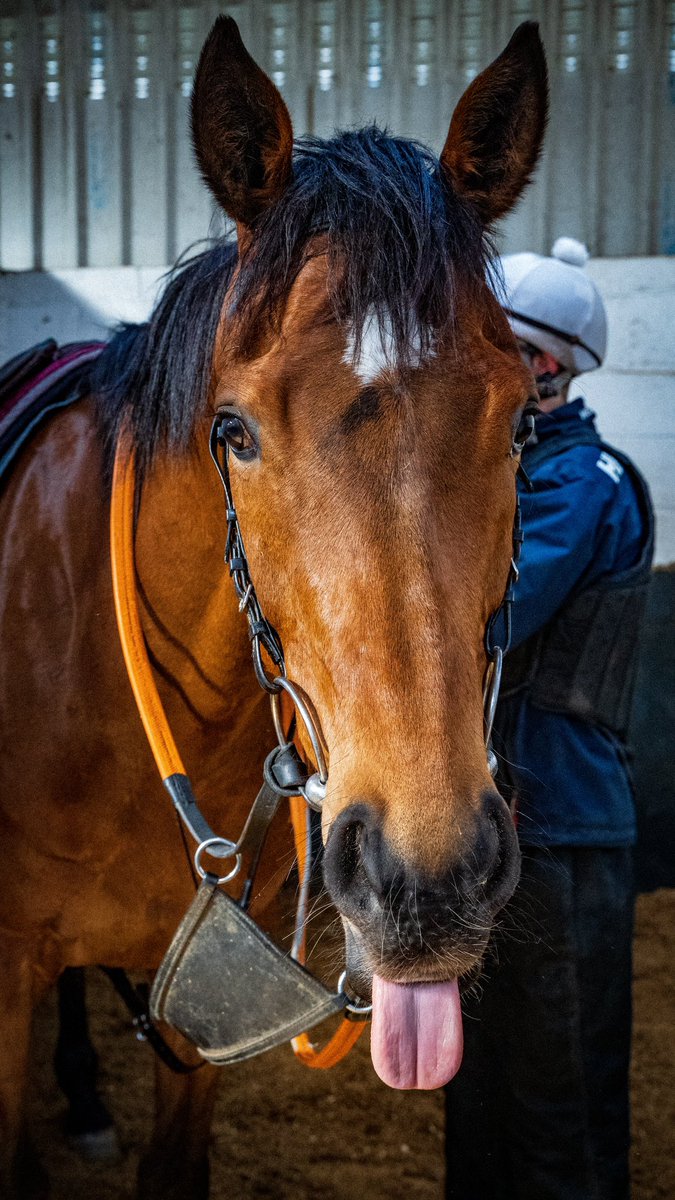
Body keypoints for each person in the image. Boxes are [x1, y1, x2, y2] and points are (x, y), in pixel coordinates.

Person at [445, 238, 654, 1200]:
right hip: (503, 836)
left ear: (541, 368)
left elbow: (494, 616)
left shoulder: (582, 485)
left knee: (558, 1112)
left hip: (564, 832)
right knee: (480, 1103)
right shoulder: (516, 480)